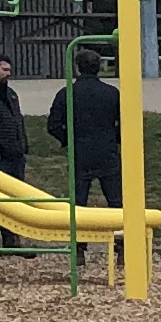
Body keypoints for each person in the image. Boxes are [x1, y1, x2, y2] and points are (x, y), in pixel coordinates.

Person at [46, 50, 124, 209]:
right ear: (99, 67)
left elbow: (53, 125)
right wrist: (114, 138)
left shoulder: (66, 93)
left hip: (80, 151)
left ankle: (79, 231)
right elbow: (124, 122)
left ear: (77, 68)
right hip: (107, 150)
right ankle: (120, 231)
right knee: (115, 199)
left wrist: (68, 139)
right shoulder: (112, 93)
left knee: (78, 200)